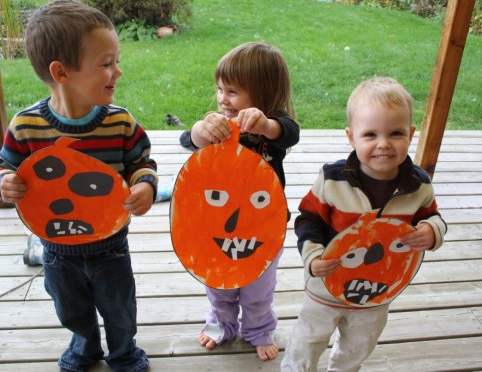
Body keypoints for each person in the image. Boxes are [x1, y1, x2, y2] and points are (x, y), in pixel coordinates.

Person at [0, 1, 156, 371]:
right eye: (106, 63)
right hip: (56, 247)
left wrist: (144, 186)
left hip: (110, 244)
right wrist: (7, 183)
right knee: (70, 308)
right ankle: (84, 346)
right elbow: (6, 166)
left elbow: (141, 163)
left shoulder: (120, 123)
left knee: (120, 308)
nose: (118, 71)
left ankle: (123, 351)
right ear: (61, 72)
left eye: (116, 61)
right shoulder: (26, 126)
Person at [281, 77, 447, 371]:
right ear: (351, 137)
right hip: (326, 285)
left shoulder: (418, 185)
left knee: (360, 344)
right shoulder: (333, 179)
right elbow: (309, 219)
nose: (383, 144)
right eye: (370, 134)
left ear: (410, 134)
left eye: (395, 133)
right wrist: (313, 256)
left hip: (378, 290)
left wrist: (432, 231)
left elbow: (431, 216)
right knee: (307, 340)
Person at [190, 41, 300, 361]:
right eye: (220, 89)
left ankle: (259, 328)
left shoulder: (273, 129)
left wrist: (265, 124)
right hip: (218, 226)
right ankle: (221, 323)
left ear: (263, 93)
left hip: (264, 228)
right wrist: (202, 129)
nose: (223, 98)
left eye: (233, 91)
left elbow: (290, 132)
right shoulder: (219, 125)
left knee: (258, 288)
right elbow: (190, 139)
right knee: (219, 282)